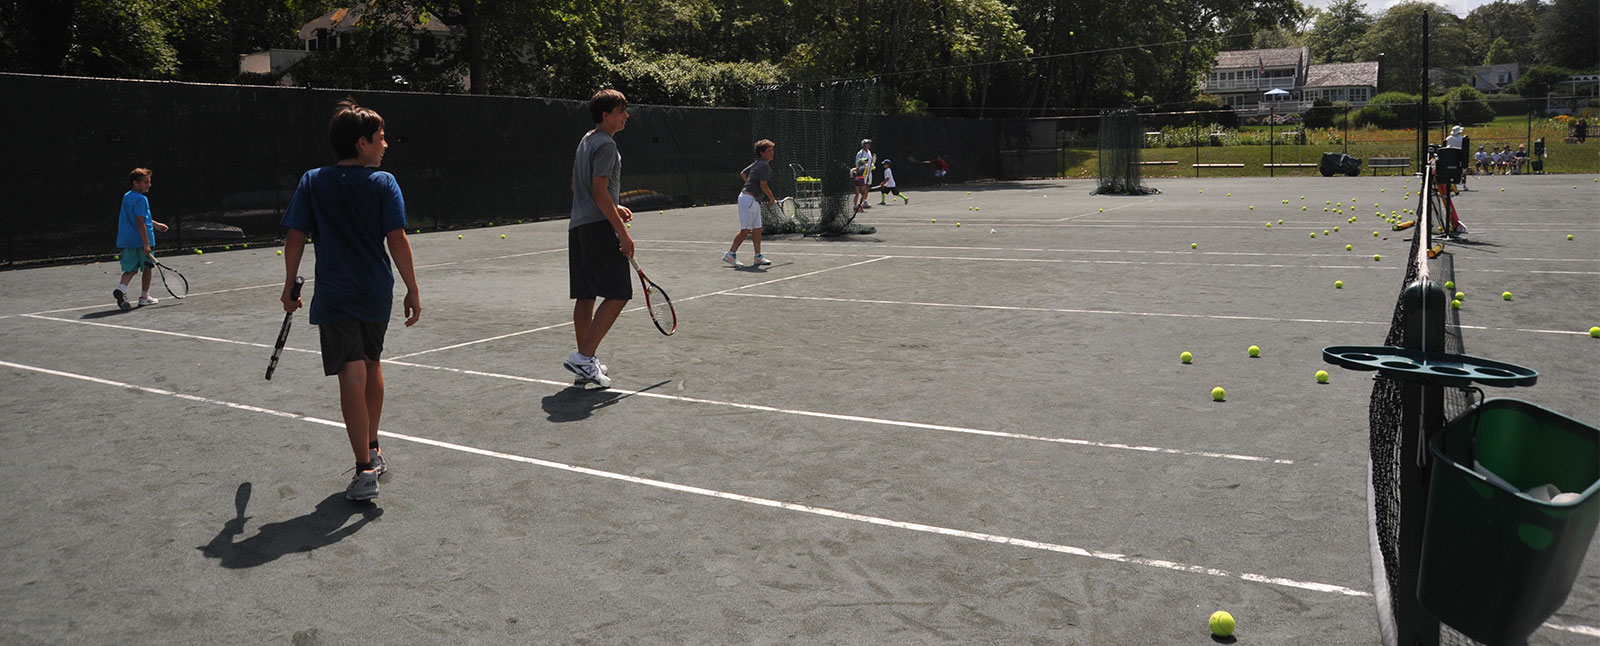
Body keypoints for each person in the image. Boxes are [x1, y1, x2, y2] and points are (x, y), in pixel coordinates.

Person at [280, 98, 422, 502]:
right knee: (371, 364)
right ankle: (372, 449)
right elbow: (397, 238)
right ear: (361, 143)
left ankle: (364, 468)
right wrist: (412, 287)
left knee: (351, 372)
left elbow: (295, 238)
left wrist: (289, 285)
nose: (385, 145)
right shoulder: (384, 183)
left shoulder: (313, 180)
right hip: (376, 290)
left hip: (337, 293)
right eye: (380, 138)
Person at [563, 89, 635, 389]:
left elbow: (576, 186)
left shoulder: (586, 139)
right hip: (597, 228)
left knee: (586, 294)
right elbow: (598, 190)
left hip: (578, 226)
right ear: (606, 115)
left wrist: (612, 204)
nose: (626, 115)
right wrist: (622, 231)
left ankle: (585, 363)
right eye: (621, 111)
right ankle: (584, 355)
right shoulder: (606, 144)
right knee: (618, 293)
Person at [113, 168, 170, 310]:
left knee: (130, 269)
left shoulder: (127, 196)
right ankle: (144, 297)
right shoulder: (142, 199)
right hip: (143, 240)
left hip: (127, 241)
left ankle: (122, 289)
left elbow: (141, 218)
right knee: (147, 268)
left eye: (149, 182)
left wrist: (156, 225)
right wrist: (146, 244)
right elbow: (140, 222)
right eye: (145, 182)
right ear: (135, 183)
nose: (149, 185)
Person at [725, 139, 776, 267]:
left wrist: (749, 184)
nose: (772, 153)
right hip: (748, 200)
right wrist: (771, 198)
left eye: (772, 150)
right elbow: (763, 185)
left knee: (757, 229)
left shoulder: (758, 163)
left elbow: (743, 173)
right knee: (745, 230)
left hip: (752, 200)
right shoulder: (763, 165)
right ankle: (730, 254)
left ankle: (758, 256)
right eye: (769, 151)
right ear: (762, 153)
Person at [854, 139, 875, 208]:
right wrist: (863, 166)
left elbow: (870, 162)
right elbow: (857, 163)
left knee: (867, 186)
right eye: (866, 143)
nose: (868, 145)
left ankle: (864, 201)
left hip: (869, 172)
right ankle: (858, 204)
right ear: (863, 145)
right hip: (863, 173)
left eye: (869, 143)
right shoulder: (860, 153)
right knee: (861, 189)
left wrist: (872, 165)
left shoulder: (869, 152)